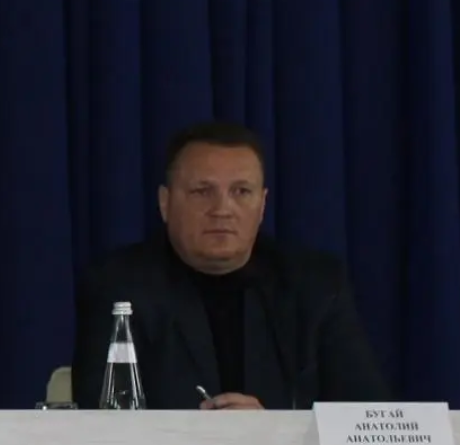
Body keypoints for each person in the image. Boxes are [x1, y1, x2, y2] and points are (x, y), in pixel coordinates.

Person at [71, 120, 390, 410]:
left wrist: (272, 434)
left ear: (262, 205)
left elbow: (366, 419)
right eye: (202, 191)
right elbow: (101, 418)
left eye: (241, 191)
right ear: (165, 203)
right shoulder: (118, 286)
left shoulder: (314, 285)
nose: (222, 209)